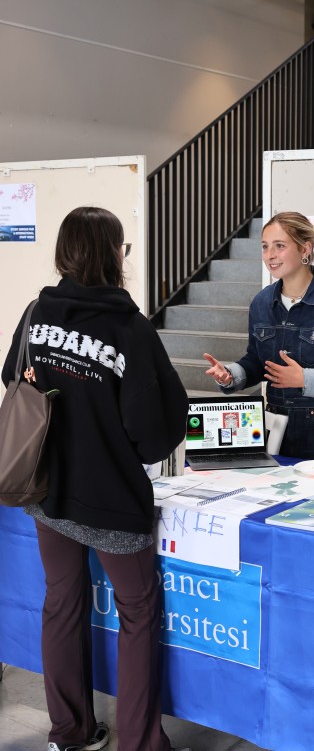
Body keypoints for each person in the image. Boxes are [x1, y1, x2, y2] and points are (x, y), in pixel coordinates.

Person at [1, 207, 190, 751]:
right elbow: (155, 434)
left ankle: (71, 732)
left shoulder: (37, 312)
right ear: (114, 255)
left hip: (47, 492)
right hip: (109, 498)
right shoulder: (129, 328)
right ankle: (138, 744)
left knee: (61, 601)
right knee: (138, 610)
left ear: (65, 253)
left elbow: (14, 379)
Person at [203, 211, 314, 460]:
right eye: (265, 247)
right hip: (274, 425)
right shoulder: (261, 303)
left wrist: (305, 378)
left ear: (305, 249)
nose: (270, 255)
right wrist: (231, 375)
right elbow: (257, 361)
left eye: (279, 246)